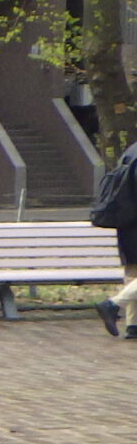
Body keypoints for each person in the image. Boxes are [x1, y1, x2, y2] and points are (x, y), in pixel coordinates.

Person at [92, 134, 137, 338]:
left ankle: (133, 325)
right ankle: (112, 304)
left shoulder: (131, 151)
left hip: (126, 222)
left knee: (133, 273)